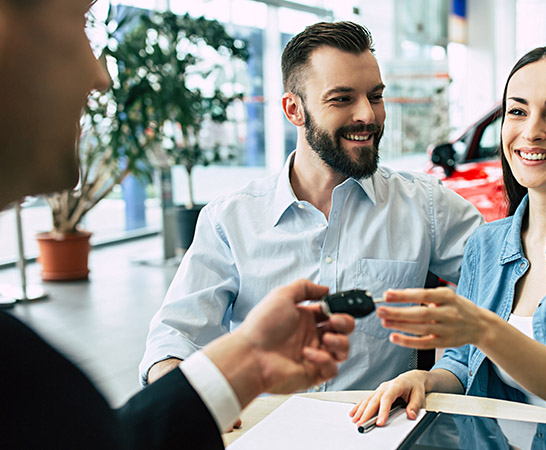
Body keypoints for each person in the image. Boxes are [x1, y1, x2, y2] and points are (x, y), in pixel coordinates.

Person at [0, 1, 354, 449]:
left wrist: (248, 362)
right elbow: (171, 339)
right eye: (81, 23)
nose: (101, 77)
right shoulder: (22, 373)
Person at [350, 41, 546, 445]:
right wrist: (424, 378)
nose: (531, 132)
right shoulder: (487, 241)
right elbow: (463, 366)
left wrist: (484, 329)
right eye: (517, 111)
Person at [140, 21, 483, 391]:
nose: (367, 115)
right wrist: (188, 407)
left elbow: (511, 281)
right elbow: (176, 338)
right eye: (342, 98)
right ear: (294, 110)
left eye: (375, 96)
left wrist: (450, 370)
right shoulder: (230, 219)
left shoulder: (425, 205)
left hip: (375, 434)